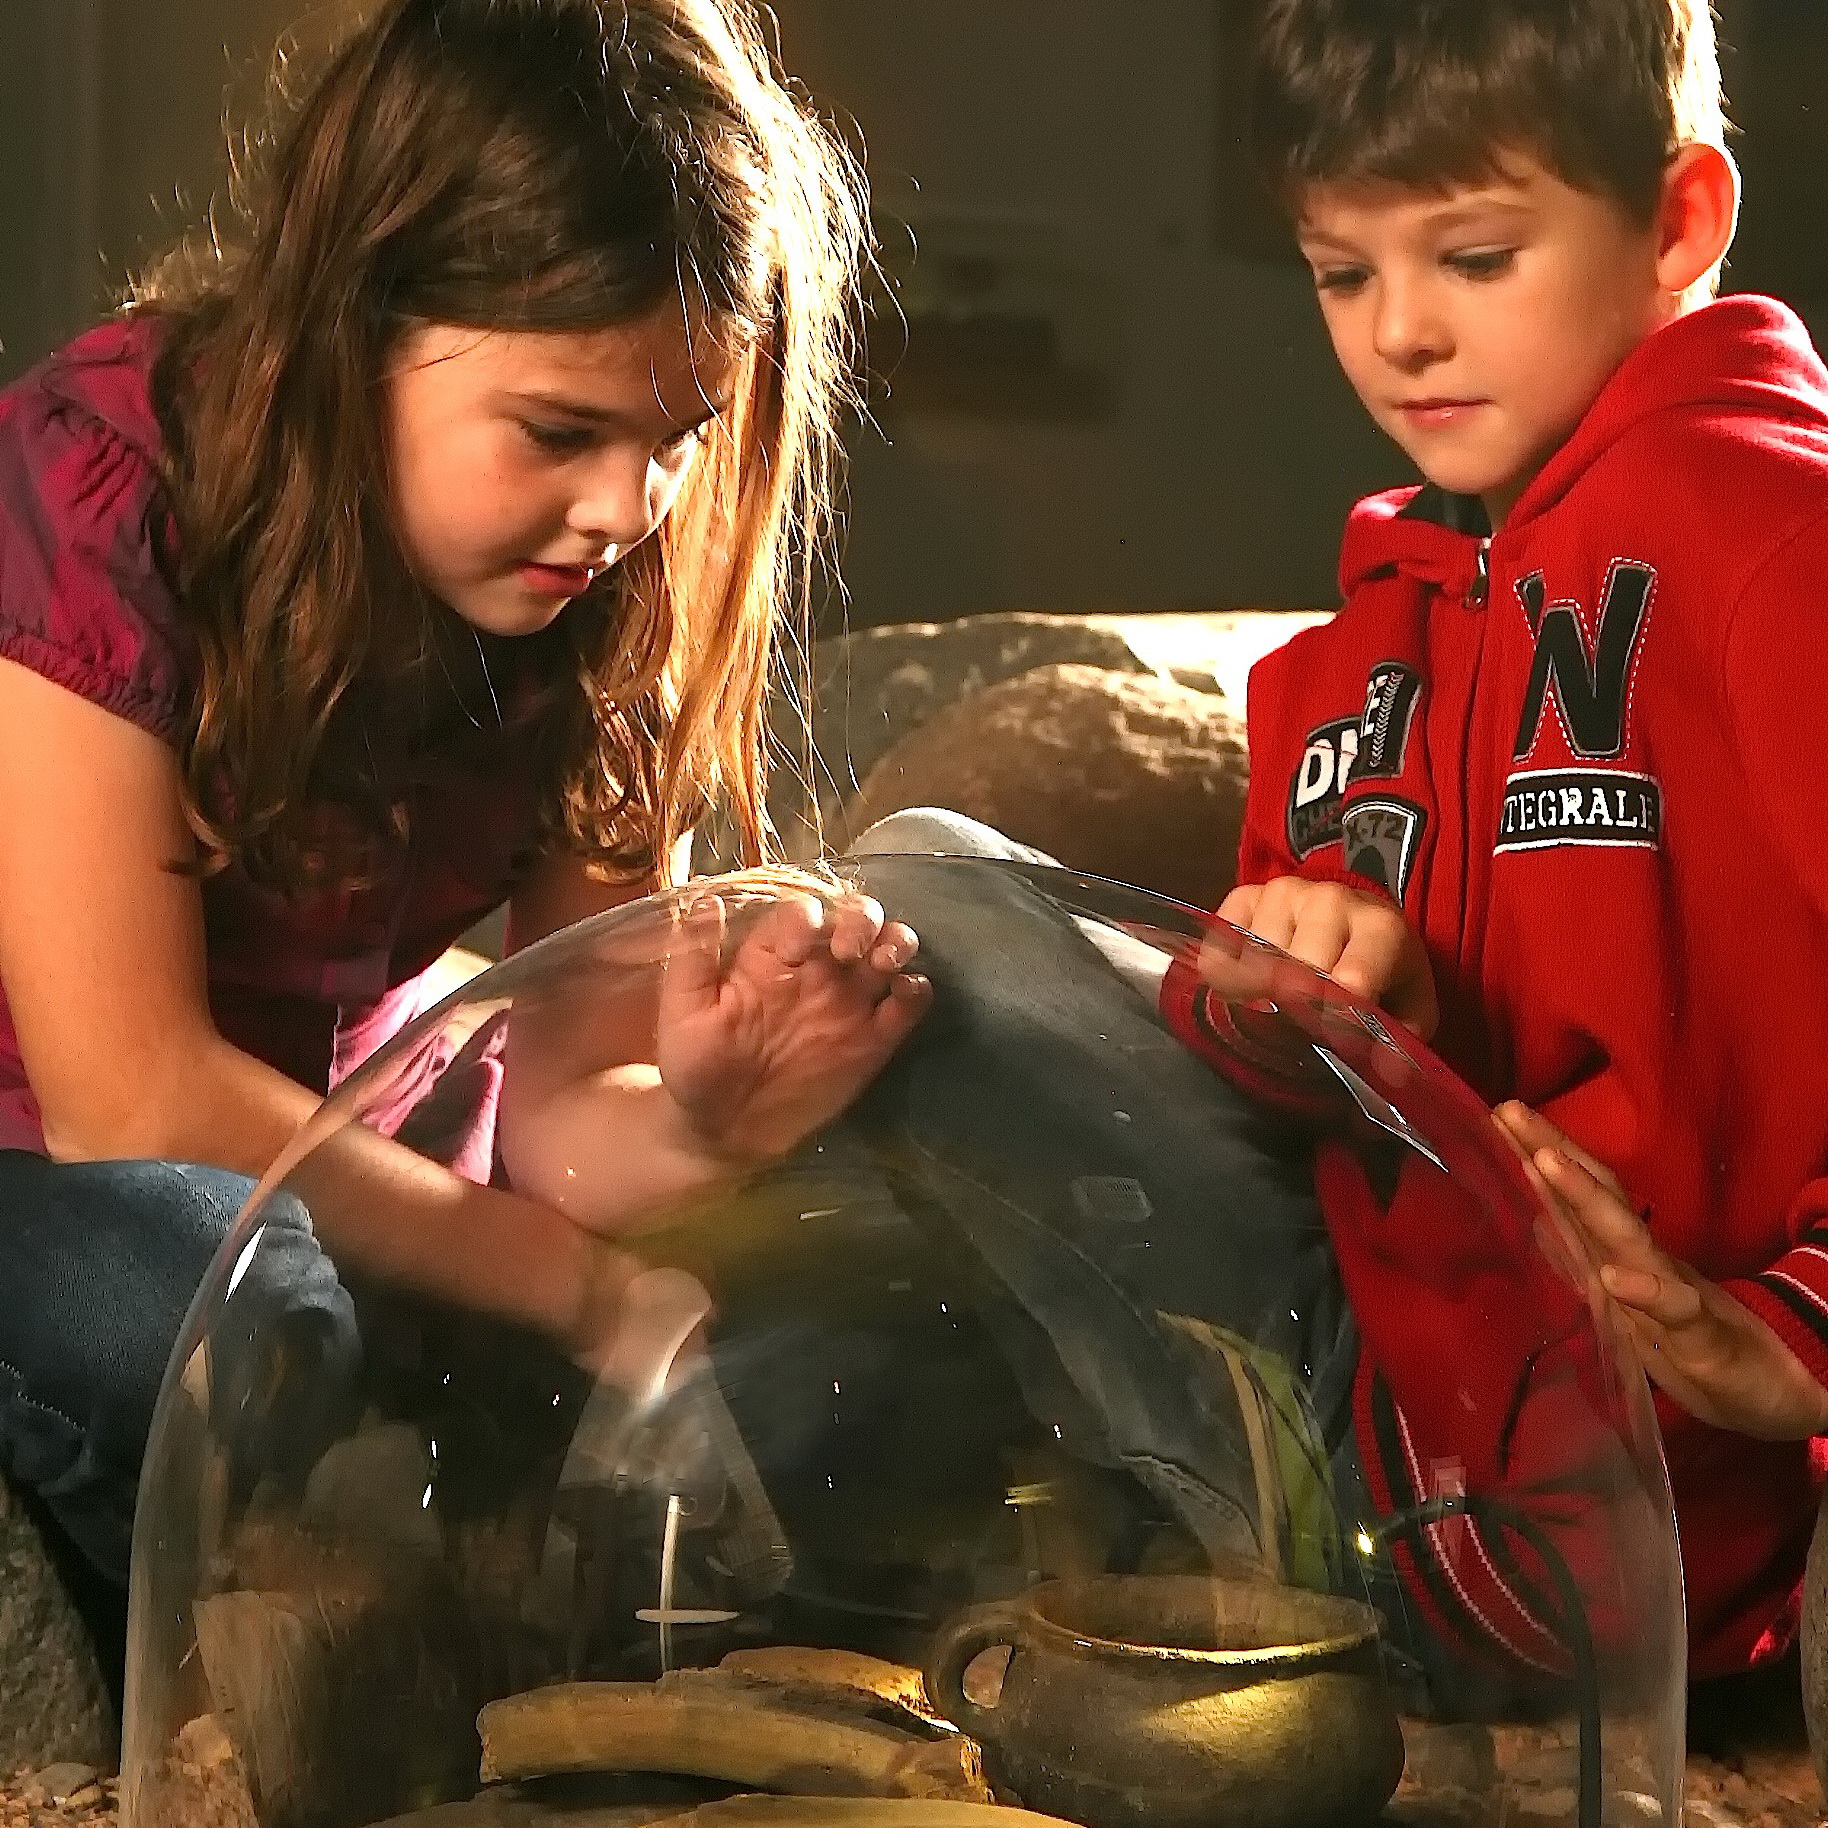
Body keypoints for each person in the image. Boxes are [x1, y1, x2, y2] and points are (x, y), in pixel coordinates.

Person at [0, 0, 930, 1613]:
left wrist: (705, 1113)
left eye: (681, 439)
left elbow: (563, 1109)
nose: (626, 512)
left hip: (344, 1164)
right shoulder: (104, 488)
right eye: (562, 432)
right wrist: (579, 1293)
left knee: (835, 1281)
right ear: (353, 322)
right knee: (235, 1304)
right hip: (68, 1179)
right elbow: (127, 1099)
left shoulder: (606, 601)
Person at [1210, 0, 1828, 1682]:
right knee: (940, 911)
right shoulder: (1341, 667)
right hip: (1370, 1452)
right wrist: (1292, 980)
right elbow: (1251, 1092)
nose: (1400, 333)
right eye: (1344, 272)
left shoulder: (1776, 539)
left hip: (1664, 1512)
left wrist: (1797, 1331)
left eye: (1474, 256)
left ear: (1681, 222)